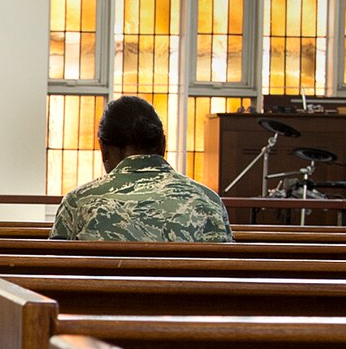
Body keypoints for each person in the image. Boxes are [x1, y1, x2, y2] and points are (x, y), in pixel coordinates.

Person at [50, 96, 234, 242]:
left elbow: (54, 269)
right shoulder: (208, 200)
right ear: (163, 144)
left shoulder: (78, 201)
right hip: (190, 290)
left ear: (103, 148)